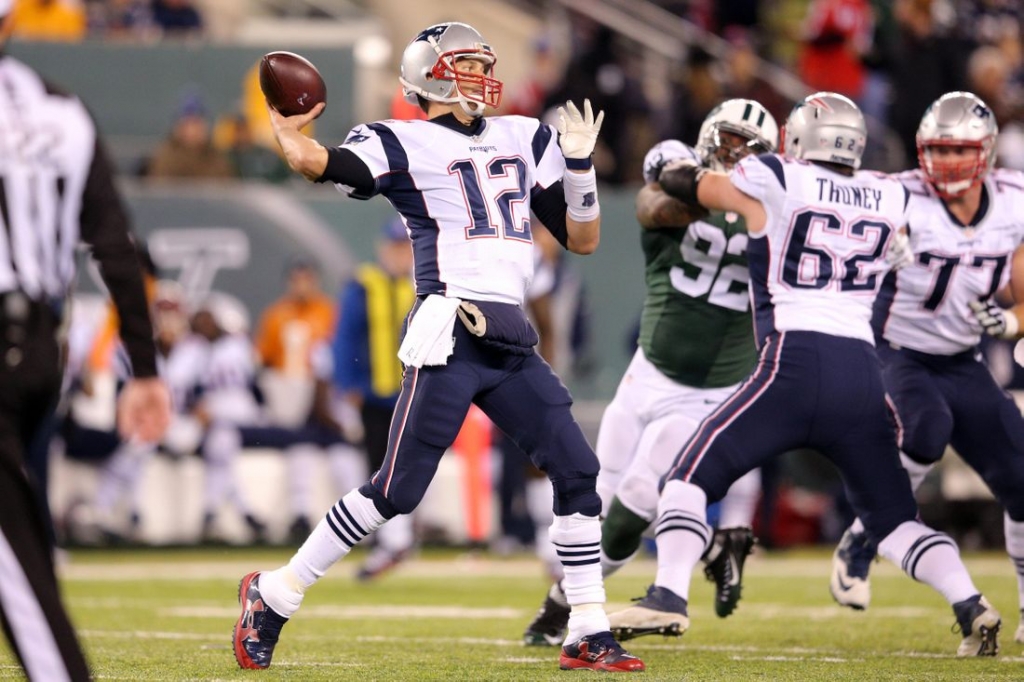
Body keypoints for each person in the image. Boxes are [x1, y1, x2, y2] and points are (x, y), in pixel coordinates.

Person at [233, 21, 644, 673]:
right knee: (395, 490)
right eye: (467, 65)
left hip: (509, 335)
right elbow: (320, 163)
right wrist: (289, 133)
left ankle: (587, 630)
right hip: (451, 330)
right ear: (431, 77)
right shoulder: (399, 139)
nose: (483, 75)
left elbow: (583, 239)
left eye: (483, 63)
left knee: (577, 471)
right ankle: (276, 594)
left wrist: (579, 166)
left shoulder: (524, 135)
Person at [606, 91, 1002, 657]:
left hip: (792, 363)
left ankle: (668, 595)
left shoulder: (776, 175)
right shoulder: (890, 192)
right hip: (863, 373)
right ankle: (970, 605)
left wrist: (666, 167)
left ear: (799, 138)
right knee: (893, 519)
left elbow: (697, 188)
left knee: (687, 477)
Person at [524, 98, 778, 646]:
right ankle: (562, 599)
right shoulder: (681, 172)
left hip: (707, 389)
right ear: (709, 138)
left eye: (749, 148)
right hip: (647, 371)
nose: (735, 154)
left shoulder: (779, 207)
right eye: (728, 140)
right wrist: (723, 198)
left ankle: (595, 601)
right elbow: (650, 204)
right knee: (601, 491)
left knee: (636, 498)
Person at [0, 0, 171, 677]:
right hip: (38, 346)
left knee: (14, 568)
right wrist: (147, 369)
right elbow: (116, 247)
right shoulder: (60, 110)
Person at [829, 91, 1024, 647]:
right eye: (937, 150)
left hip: (962, 359)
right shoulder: (897, 196)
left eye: (959, 150)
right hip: (895, 349)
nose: (947, 163)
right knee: (927, 427)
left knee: (1022, 483)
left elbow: (1023, 299)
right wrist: (870, 252)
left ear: (985, 152)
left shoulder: (1013, 201)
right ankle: (867, 531)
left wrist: (1009, 323)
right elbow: (835, 248)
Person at [330, 216, 417, 578]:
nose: (399, 254)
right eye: (395, 247)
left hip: (413, 392)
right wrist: (347, 383)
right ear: (384, 248)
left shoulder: (423, 284)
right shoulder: (364, 285)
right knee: (379, 467)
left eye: (405, 247)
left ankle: (398, 540)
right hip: (373, 393)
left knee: (410, 465)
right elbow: (345, 337)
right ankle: (394, 540)